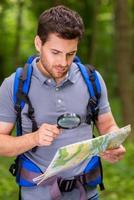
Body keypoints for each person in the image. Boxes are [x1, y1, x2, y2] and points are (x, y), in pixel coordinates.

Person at [0, 5, 126, 200]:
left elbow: (107, 124)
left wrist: (112, 144)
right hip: (37, 195)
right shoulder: (14, 85)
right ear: (38, 43)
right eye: (56, 52)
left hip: (88, 193)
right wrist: (34, 138)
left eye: (71, 53)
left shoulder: (92, 79)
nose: (64, 62)